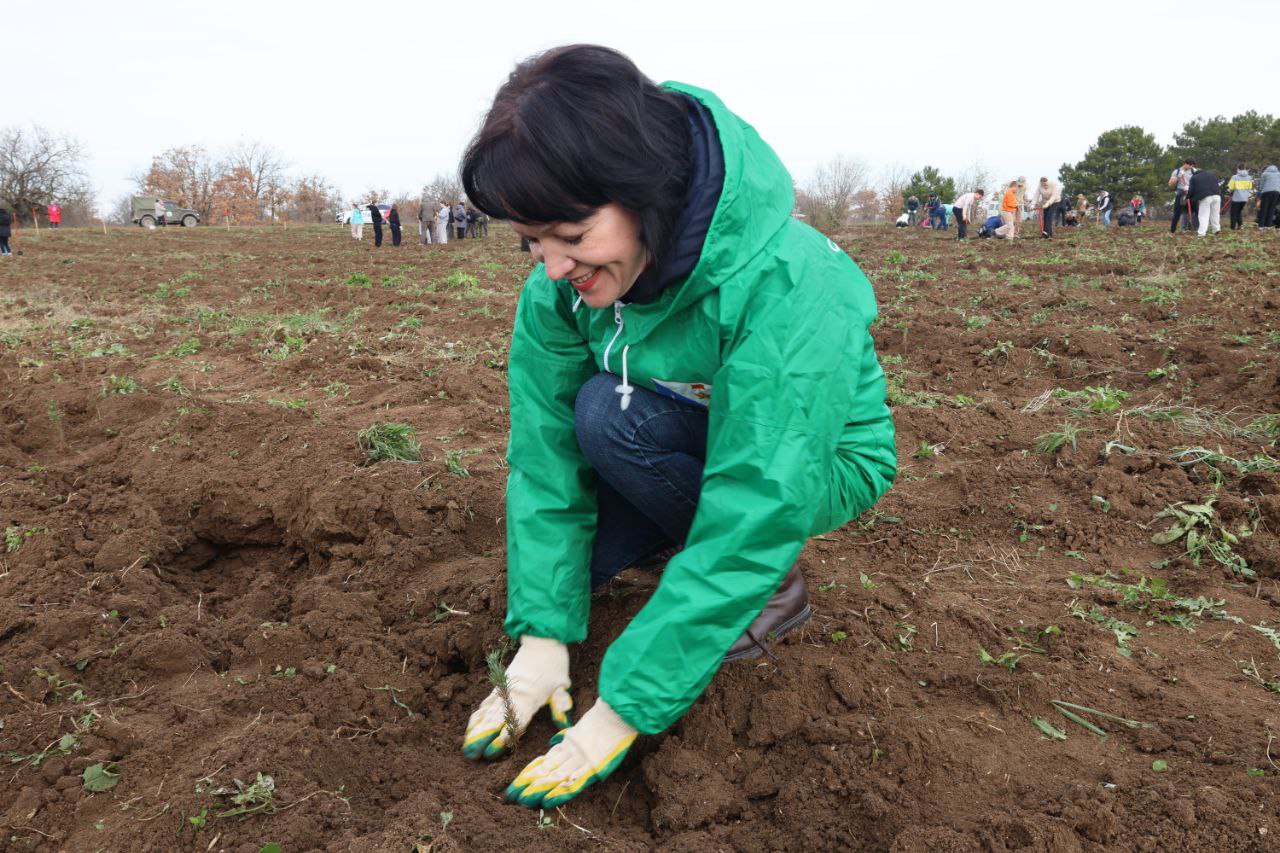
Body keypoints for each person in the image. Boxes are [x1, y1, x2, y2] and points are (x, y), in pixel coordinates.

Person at [457, 44, 895, 810]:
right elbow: (545, 456)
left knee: (611, 414)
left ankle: (776, 588)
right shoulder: (557, 292)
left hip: (815, 460)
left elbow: (763, 486)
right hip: (673, 428)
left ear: (642, 191)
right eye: (532, 241)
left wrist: (621, 709)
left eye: (570, 233)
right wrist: (544, 637)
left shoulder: (792, 282)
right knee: (572, 556)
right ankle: (666, 534)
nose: (552, 266)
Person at [1189, 165, 1222, 236]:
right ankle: (1216, 230)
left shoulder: (1194, 177)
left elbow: (1191, 190)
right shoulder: (1211, 174)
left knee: (1203, 216)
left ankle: (1201, 233)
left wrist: (1188, 198)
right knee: (1215, 214)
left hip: (1205, 197)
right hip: (1217, 195)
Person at [1168, 160, 1196, 233]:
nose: (1191, 167)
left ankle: (1192, 228)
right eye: (1190, 165)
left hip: (1191, 192)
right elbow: (1170, 183)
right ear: (1185, 164)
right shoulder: (1177, 171)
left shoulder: (1194, 171)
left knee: (1193, 211)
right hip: (1181, 193)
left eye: (1192, 165)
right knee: (1177, 212)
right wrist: (1178, 177)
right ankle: (1173, 230)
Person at [1227, 165, 1253, 230]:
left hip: (1236, 198)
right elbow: (1250, 188)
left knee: (1233, 213)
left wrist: (1229, 191)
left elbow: (1230, 187)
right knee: (1238, 212)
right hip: (1244, 199)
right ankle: (1240, 225)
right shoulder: (1249, 177)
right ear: (1245, 169)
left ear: (1238, 169)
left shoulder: (1234, 177)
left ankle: (1232, 227)